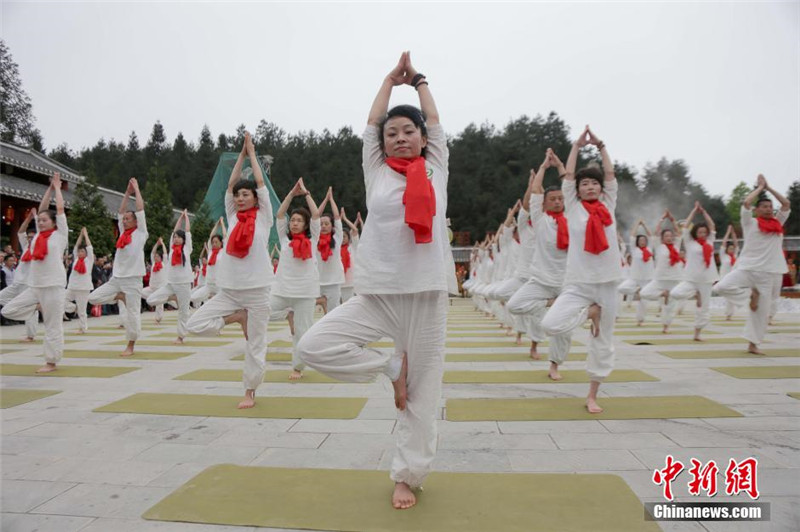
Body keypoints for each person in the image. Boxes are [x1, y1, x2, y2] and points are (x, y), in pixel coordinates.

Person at [298, 51, 457, 510]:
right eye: (393, 133)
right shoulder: (376, 170)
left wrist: (419, 81)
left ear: (425, 140)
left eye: (410, 132)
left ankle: (407, 476)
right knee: (312, 346)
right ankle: (390, 368)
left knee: (424, 396)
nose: (401, 137)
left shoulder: (436, 168)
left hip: (426, 295)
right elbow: (370, 124)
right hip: (377, 292)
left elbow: (434, 117)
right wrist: (390, 79)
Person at [187, 132, 274, 408]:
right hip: (230, 291)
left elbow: (260, 182)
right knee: (193, 325)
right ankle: (236, 318)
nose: (239, 199)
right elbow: (230, 184)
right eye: (237, 196)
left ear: (255, 199)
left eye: (245, 195)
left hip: (258, 292)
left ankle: (250, 391)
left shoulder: (264, 218)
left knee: (256, 345)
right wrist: (240, 155)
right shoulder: (233, 216)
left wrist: (251, 152)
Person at [540, 126, 622, 414]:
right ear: (576, 190)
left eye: (594, 184)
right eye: (584, 183)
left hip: (608, 283)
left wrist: (601, 146)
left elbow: (610, 176)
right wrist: (575, 146)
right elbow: (569, 176)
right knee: (550, 324)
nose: (590, 186)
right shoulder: (573, 207)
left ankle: (592, 395)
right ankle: (590, 313)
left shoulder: (608, 205)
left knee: (603, 342)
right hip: (578, 283)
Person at [508, 150, 571, 376]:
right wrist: (544, 168)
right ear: (544, 204)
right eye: (552, 199)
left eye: (560, 199)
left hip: (566, 283)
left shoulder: (572, 219)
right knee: (513, 305)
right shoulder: (540, 220)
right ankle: (550, 303)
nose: (557, 202)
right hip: (541, 281)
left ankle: (554, 365)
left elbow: (572, 189)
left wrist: (561, 166)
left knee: (563, 328)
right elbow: (535, 193)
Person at [713, 174, 790, 354]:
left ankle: (752, 345)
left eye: (770, 207)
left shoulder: (777, 223)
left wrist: (769, 188)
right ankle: (749, 296)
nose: (768, 209)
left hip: (767, 273)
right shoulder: (750, 223)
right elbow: (746, 203)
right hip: (747, 268)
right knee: (720, 287)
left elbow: (786, 204)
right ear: (757, 210)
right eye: (764, 206)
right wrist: (759, 188)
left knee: (760, 314)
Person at [2, 173, 68, 373]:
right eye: (38, 221)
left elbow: (59, 209)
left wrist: (57, 188)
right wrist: (48, 189)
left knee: (52, 326)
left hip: (53, 285)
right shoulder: (38, 236)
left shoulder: (59, 235)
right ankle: (37, 307)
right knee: (7, 310)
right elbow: (42, 207)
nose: (40, 223)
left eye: (44, 220)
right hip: (35, 286)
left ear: (54, 223)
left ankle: (51, 362)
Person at [88, 177, 147, 357]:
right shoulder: (122, 234)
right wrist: (126, 193)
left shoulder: (141, 233)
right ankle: (119, 296)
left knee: (133, 315)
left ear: (136, 221)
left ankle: (130, 345)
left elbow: (140, 210)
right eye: (125, 219)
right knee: (93, 298)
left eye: (129, 219)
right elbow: (120, 212)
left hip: (133, 280)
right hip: (117, 279)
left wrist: (136, 190)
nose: (125, 220)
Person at [270, 178, 321, 381]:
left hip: (305, 293)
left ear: (306, 224)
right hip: (282, 290)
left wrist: (307, 194)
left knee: (302, 332)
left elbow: (316, 214)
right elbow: (280, 214)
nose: (294, 223)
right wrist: (291, 194)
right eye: (293, 221)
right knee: (261, 310)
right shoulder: (284, 240)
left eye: (299, 220)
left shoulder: (312, 240)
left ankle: (297, 368)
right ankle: (285, 315)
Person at [668, 202, 718, 341]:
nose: (702, 234)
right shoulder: (690, 243)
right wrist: (694, 210)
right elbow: (685, 226)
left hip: (706, 279)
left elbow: (712, 226)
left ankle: (697, 333)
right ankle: (695, 294)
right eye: (700, 232)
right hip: (691, 278)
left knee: (704, 309)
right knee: (675, 293)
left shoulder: (710, 241)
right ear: (695, 233)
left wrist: (704, 212)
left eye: (704, 232)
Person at [147, 210, 193, 344]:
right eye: (175, 237)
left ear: (183, 240)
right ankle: (173, 298)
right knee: (151, 299)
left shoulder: (187, 249)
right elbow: (174, 231)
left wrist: (187, 218)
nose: (176, 238)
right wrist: (180, 218)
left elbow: (188, 231)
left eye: (179, 237)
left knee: (183, 312)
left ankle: (181, 336)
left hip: (184, 284)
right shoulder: (172, 249)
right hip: (170, 284)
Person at [639, 210, 684, 333]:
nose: (669, 238)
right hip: (660, 279)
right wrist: (662, 219)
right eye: (666, 236)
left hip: (674, 279)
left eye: (670, 236)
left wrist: (673, 220)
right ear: (662, 238)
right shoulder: (659, 246)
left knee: (670, 306)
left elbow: (679, 233)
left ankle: (666, 326)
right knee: (644, 293)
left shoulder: (676, 246)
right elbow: (655, 233)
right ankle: (662, 294)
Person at [0, 212, 39, 338]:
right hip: (17, 282)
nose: (29, 238)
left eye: (33, 237)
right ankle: (31, 308)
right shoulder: (26, 247)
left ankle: (30, 335)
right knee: (1, 298)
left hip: (29, 284)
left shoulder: (41, 249)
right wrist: (28, 219)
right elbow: (20, 232)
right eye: (29, 237)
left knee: (31, 311)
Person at [617, 219, 655, 325]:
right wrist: (637, 224)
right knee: (621, 288)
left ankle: (640, 320)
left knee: (643, 302)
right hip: (635, 278)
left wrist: (645, 225)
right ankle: (636, 291)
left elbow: (651, 236)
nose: (643, 241)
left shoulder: (649, 249)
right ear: (638, 242)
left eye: (644, 240)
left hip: (647, 279)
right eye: (641, 240)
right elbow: (632, 237)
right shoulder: (635, 250)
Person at [316, 187, 346, 312]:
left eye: (326, 224)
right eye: (321, 224)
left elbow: (337, 217)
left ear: (332, 226)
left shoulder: (337, 238)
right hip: (317, 281)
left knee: (332, 312)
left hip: (333, 281)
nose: (323, 226)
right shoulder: (314, 239)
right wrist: (325, 200)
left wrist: (331, 199)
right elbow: (315, 216)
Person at [64, 227, 95, 333]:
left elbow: (90, 247)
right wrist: (80, 235)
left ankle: (83, 328)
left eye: (82, 251)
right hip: (72, 286)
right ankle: (73, 308)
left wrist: (86, 235)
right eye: (79, 251)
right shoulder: (76, 259)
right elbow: (76, 246)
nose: (80, 252)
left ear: (86, 253)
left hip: (83, 288)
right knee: (61, 300)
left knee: (82, 311)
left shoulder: (89, 260)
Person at [191, 218, 226, 308]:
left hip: (219, 285)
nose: (214, 244)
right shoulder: (210, 252)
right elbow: (211, 236)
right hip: (209, 285)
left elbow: (225, 237)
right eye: (213, 242)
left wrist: (222, 224)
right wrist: (216, 225)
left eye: (216, 242)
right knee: (193, 298)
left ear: (221, 243)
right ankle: (211, 297)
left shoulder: (223, 251)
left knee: (221, 306)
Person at [141, 239, 167, 323]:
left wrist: (162, 244)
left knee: (160, 305)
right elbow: (152, 252)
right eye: (155, 256)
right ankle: (153, 300)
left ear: (161, 258)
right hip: (152, 288)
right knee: (140, 292)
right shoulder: (153, 264)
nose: (155, 257)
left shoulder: (164, 264)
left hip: (160, 288)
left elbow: (165, 253)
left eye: (157, 256)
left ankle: (158, 319)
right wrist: (157, 243)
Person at [718, 225, 740, 320]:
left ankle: (729, 314)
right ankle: (728, 313)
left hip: (733, 279)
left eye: (732, 248)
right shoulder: (723, 256)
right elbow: (723, 243)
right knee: (728, 297)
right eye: (730, 248)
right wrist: (727, 232)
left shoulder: (735, 256)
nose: (731, 250)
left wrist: (733, 233)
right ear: (727, 249)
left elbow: (737, 245)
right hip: (724, 278)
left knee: (730, 297)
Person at [340, 208, 359, 304]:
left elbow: (355, 230)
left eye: (344, 236)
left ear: (348, 238)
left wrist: (345, 218)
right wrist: (339, 220)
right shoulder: (334, 249)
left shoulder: (352, 247)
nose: (342, 239)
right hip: (338, 283)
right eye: (341, 236)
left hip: (350, 284)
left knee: (349, 305)